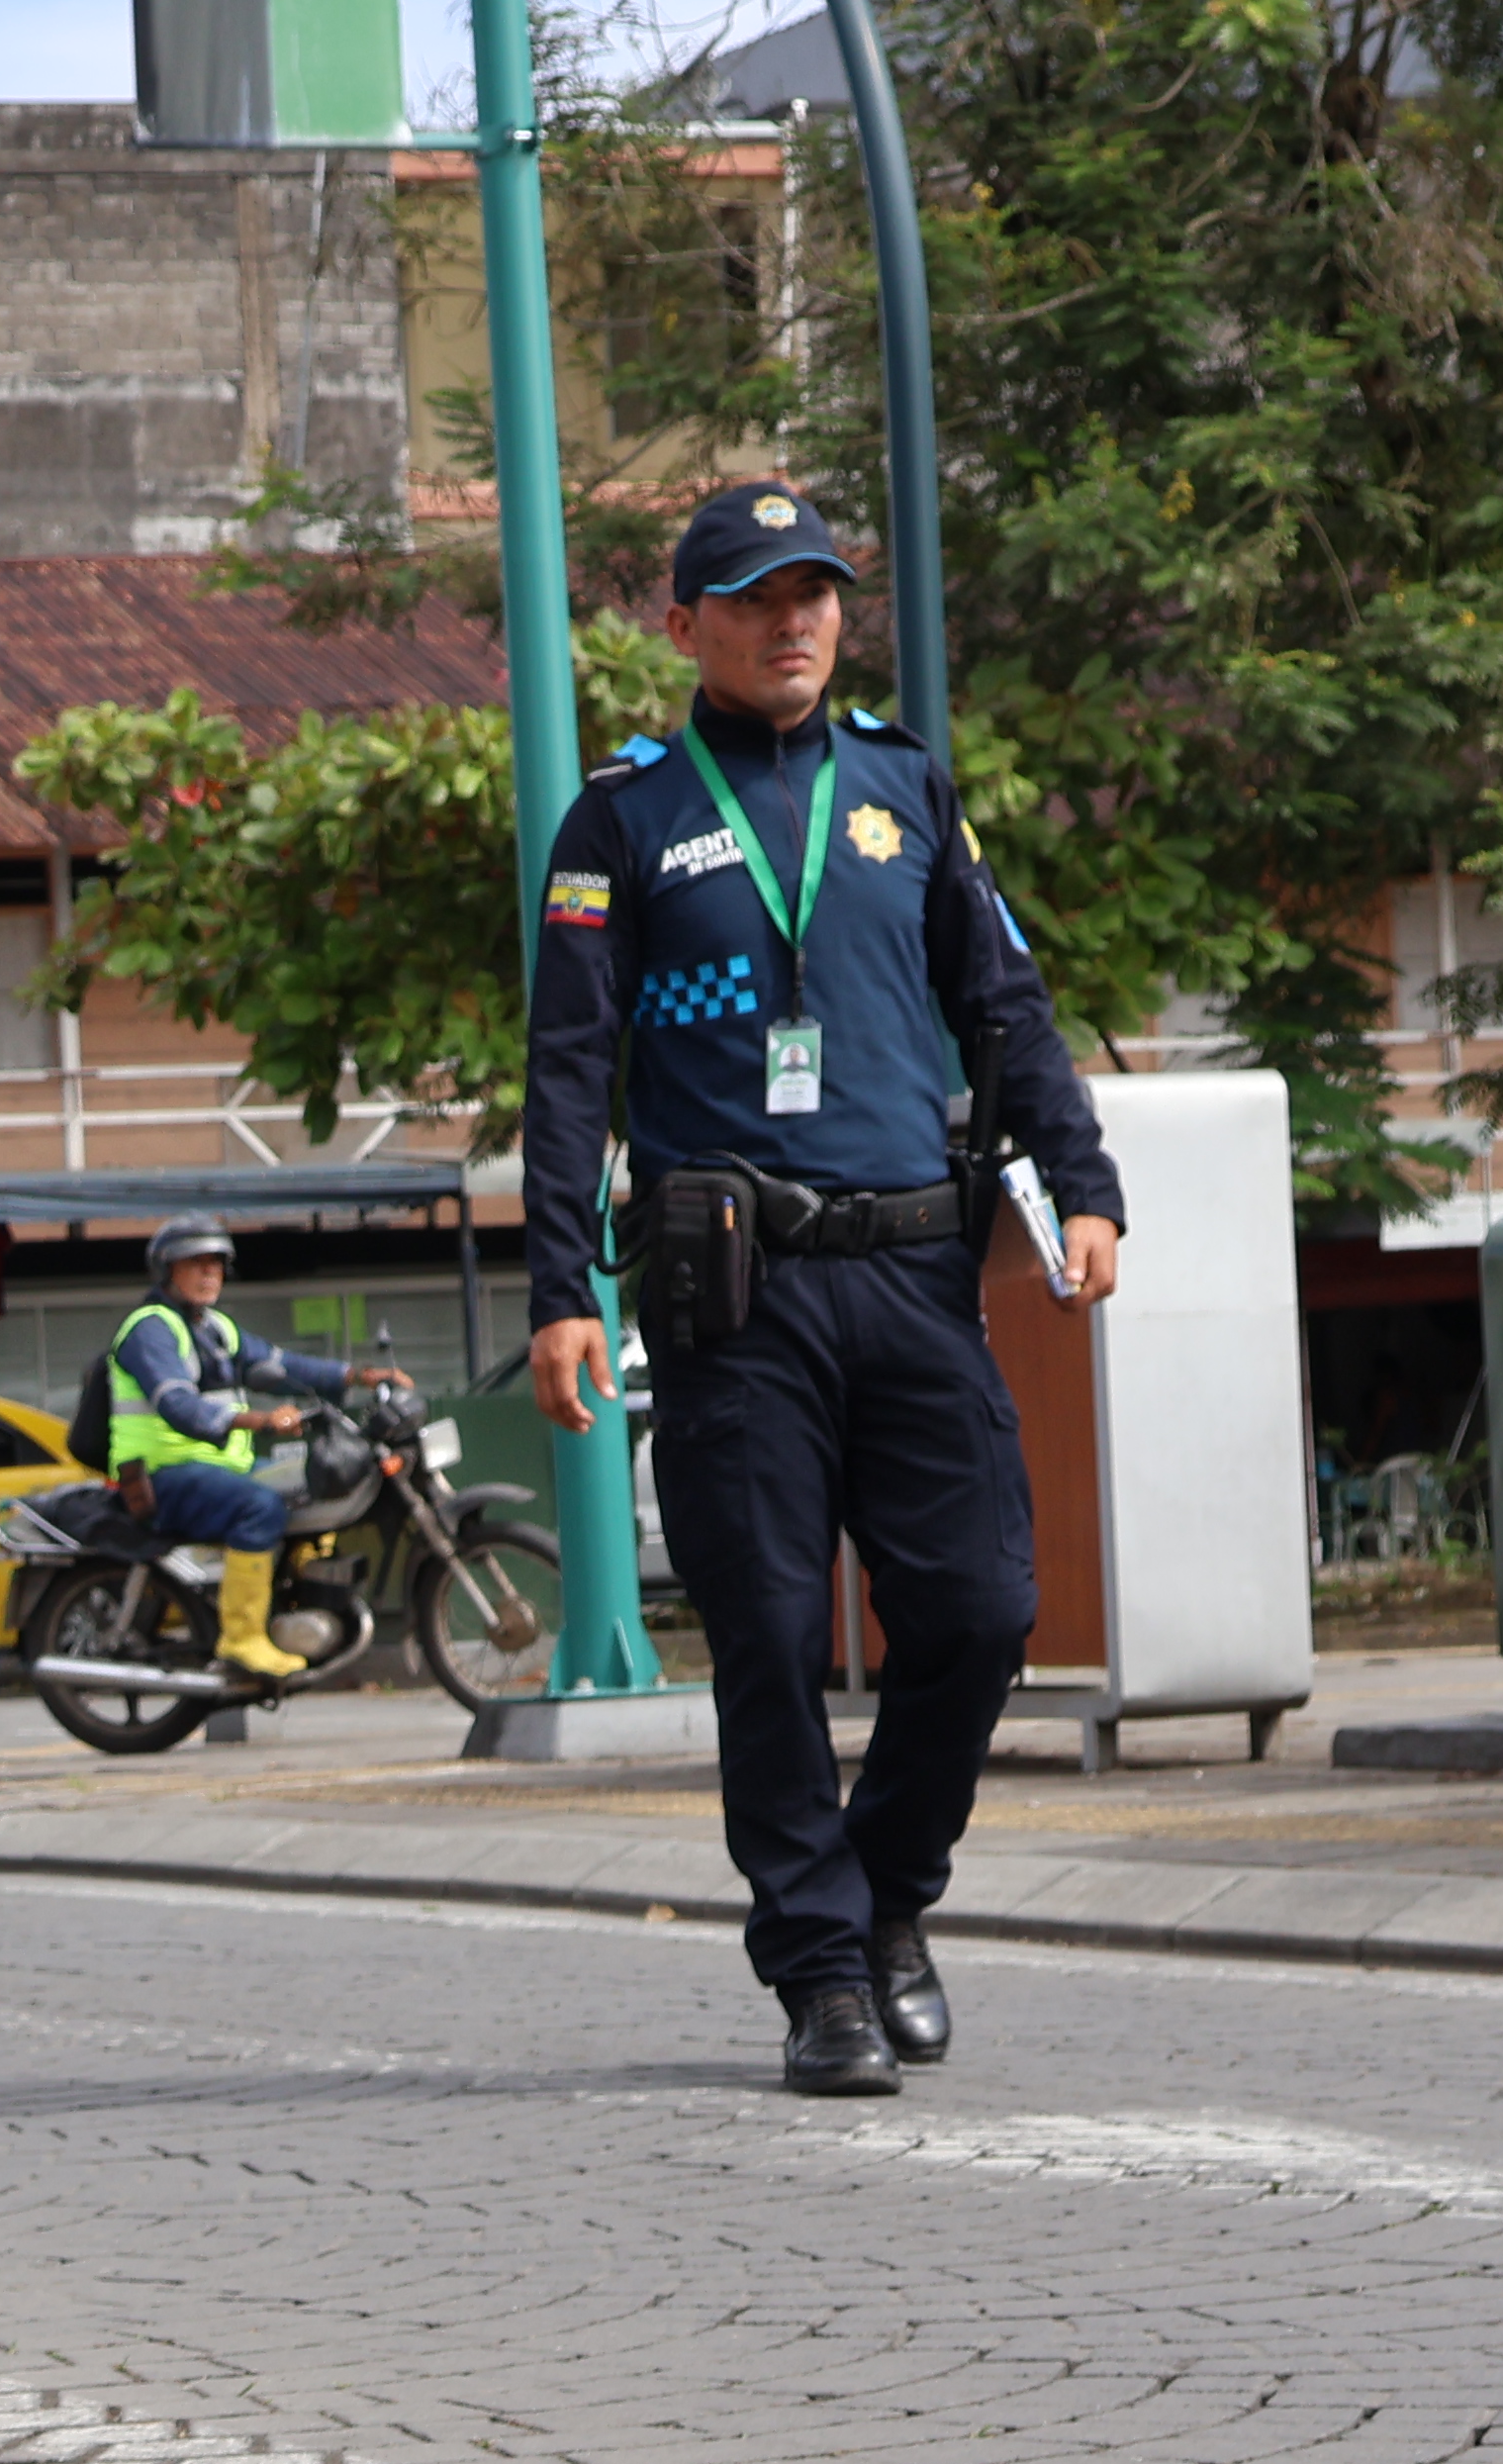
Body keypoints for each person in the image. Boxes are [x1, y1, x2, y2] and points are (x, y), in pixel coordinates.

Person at [520, 479, 1126, 2099]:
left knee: (981, 1611)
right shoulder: (623, 817)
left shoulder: (903, 785)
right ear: (686, 625)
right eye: (753, 598)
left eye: (815, 594)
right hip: (738, 1302)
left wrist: (1083, 1184)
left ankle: (889, 1892)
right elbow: (569, 1069)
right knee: (773, 1632)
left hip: (916, 1270)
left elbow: (1006, 1003)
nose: (792, 623)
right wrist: (563, 1284)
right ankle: (821, 1972)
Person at [101, 1215, 412, 1682]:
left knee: (310, 1488)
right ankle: (242, 1640)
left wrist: (360, 1376)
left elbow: (284, 1365)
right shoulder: (151, 1330)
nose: (210, 1273)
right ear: (166, 1270)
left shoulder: (216, 1330)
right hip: (161, 1474)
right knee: (260, 1506)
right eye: (196, 1263)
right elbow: (178, 1405)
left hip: (222, 1467)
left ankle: (292, 1606)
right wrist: (260, 1420)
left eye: (216, 1264)